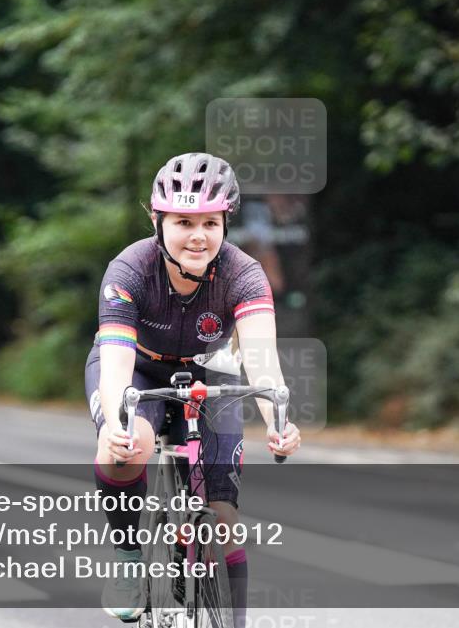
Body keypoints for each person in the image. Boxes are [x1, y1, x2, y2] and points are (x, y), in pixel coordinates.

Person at [86, 152, 302, 625]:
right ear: (157, 221)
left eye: (210, 222)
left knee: (223, 517)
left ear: (226, 222)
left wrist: (278, 423)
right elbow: (117, 364)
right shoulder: (129, 270)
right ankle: (128, 559)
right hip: (137, 367)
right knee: (125, 447)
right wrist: (119, 424)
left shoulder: (244, 274)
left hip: (210, 371)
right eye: (183, 221)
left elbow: (262, 360)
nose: (198, 235)